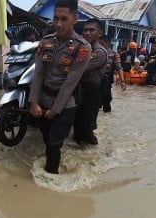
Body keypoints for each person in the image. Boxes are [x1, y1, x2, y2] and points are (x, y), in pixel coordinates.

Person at [28, 0, 91, 174]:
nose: (58, 23)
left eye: (64, 19)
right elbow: (38, 73)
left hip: (66, 104)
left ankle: (51, 177)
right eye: (55, 18)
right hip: (43, 100)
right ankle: (52, 165)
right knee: (47, 139)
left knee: (55, 142)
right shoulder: (46, 42)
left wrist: (55, 110)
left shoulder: (82, 47)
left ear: (75, 19)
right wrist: (34, 102)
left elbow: (71, 81)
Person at [73, 18, 107, 145]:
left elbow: (78, 69)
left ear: (99, 33)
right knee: (77, 125)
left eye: (91, 30)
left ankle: (91, 156)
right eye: (85, 30)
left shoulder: (99, 52)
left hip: (92, 91)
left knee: (87, 127)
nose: (87, 33)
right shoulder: (82, 49)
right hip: (80, 90)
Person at [98, 35, 126, 113]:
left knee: (106, 102)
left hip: (106, 81)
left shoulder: (114, 54)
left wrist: (122, 81)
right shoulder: (93, 52)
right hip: (94, 81)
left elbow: (119, 68)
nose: (99, 46)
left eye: (101, 43)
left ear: (106, 43)